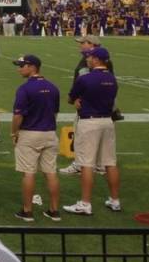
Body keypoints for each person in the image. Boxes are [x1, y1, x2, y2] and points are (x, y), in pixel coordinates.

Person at [63, 47, 121, 216]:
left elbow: (70, 98)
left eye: (89, 57)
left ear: (96, 59)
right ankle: (115, 200)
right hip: (107, 121)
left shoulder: (86, 78)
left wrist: (77, 101)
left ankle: (85, 203)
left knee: (86, 163)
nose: (87, 59)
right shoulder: (112, 79)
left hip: (89, 122)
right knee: (110, 162)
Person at [10, 55, 62, 222]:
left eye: (22, 65)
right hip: (49, 132)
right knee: (51, 172)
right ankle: (54, 210)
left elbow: (18, 116)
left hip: (30, 132)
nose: (19, 69)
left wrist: (14, 132)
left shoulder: (24, 89)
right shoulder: (53, 88)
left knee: (29, 173)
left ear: (32, 67)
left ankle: (27, 211)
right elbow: (55, 112)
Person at [61, 34, 117, 174]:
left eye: (83, 42)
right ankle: (99, 164)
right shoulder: (97, 59)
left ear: (92, 44)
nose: (80, 45)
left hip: (89, 106)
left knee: (81, 136)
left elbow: (91, 81)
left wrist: (76, 98)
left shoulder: (95, 62)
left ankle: (80, 165)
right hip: (100, 106)